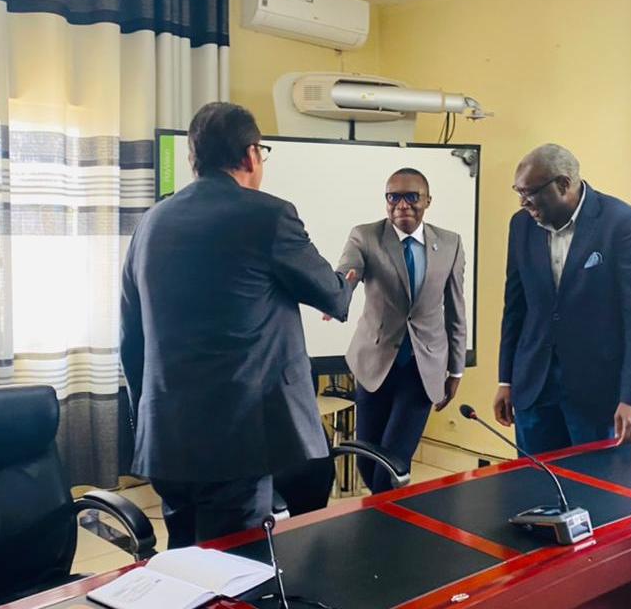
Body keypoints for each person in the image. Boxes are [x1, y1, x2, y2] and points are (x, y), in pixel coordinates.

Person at [120, 102, 354, 548]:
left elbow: (132, 339)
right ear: (251, 155)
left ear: (194, 159)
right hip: (237, 442)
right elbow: (334, 297)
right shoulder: (269, 215)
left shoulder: (150, 223)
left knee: (185, 558)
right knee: (237, 565)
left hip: (167, 438)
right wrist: (350, 276)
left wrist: (149, 420)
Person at [495, 144, 631, 455]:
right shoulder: (521, 225)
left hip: (597, 396)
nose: (523, 202)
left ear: (563, 184)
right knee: (534, 481)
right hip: (534, 388)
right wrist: (506, 380)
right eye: (519, 192)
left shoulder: (621, 222)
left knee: (598, 484)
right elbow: (515, 308)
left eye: (530, 193)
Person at [335, 168, 467, 493]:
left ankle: (384, 520)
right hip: (374, 364)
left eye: (411, 197)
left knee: (393, 464)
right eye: (393, 197)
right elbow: (347, 273)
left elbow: (455, 310)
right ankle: (383, 512)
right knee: (367, 460)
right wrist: (337, 292)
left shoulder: (449, 243)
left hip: (422, 369)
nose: (402, 205)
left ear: (427, 201)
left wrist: (456, 370)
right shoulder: (366, 236)